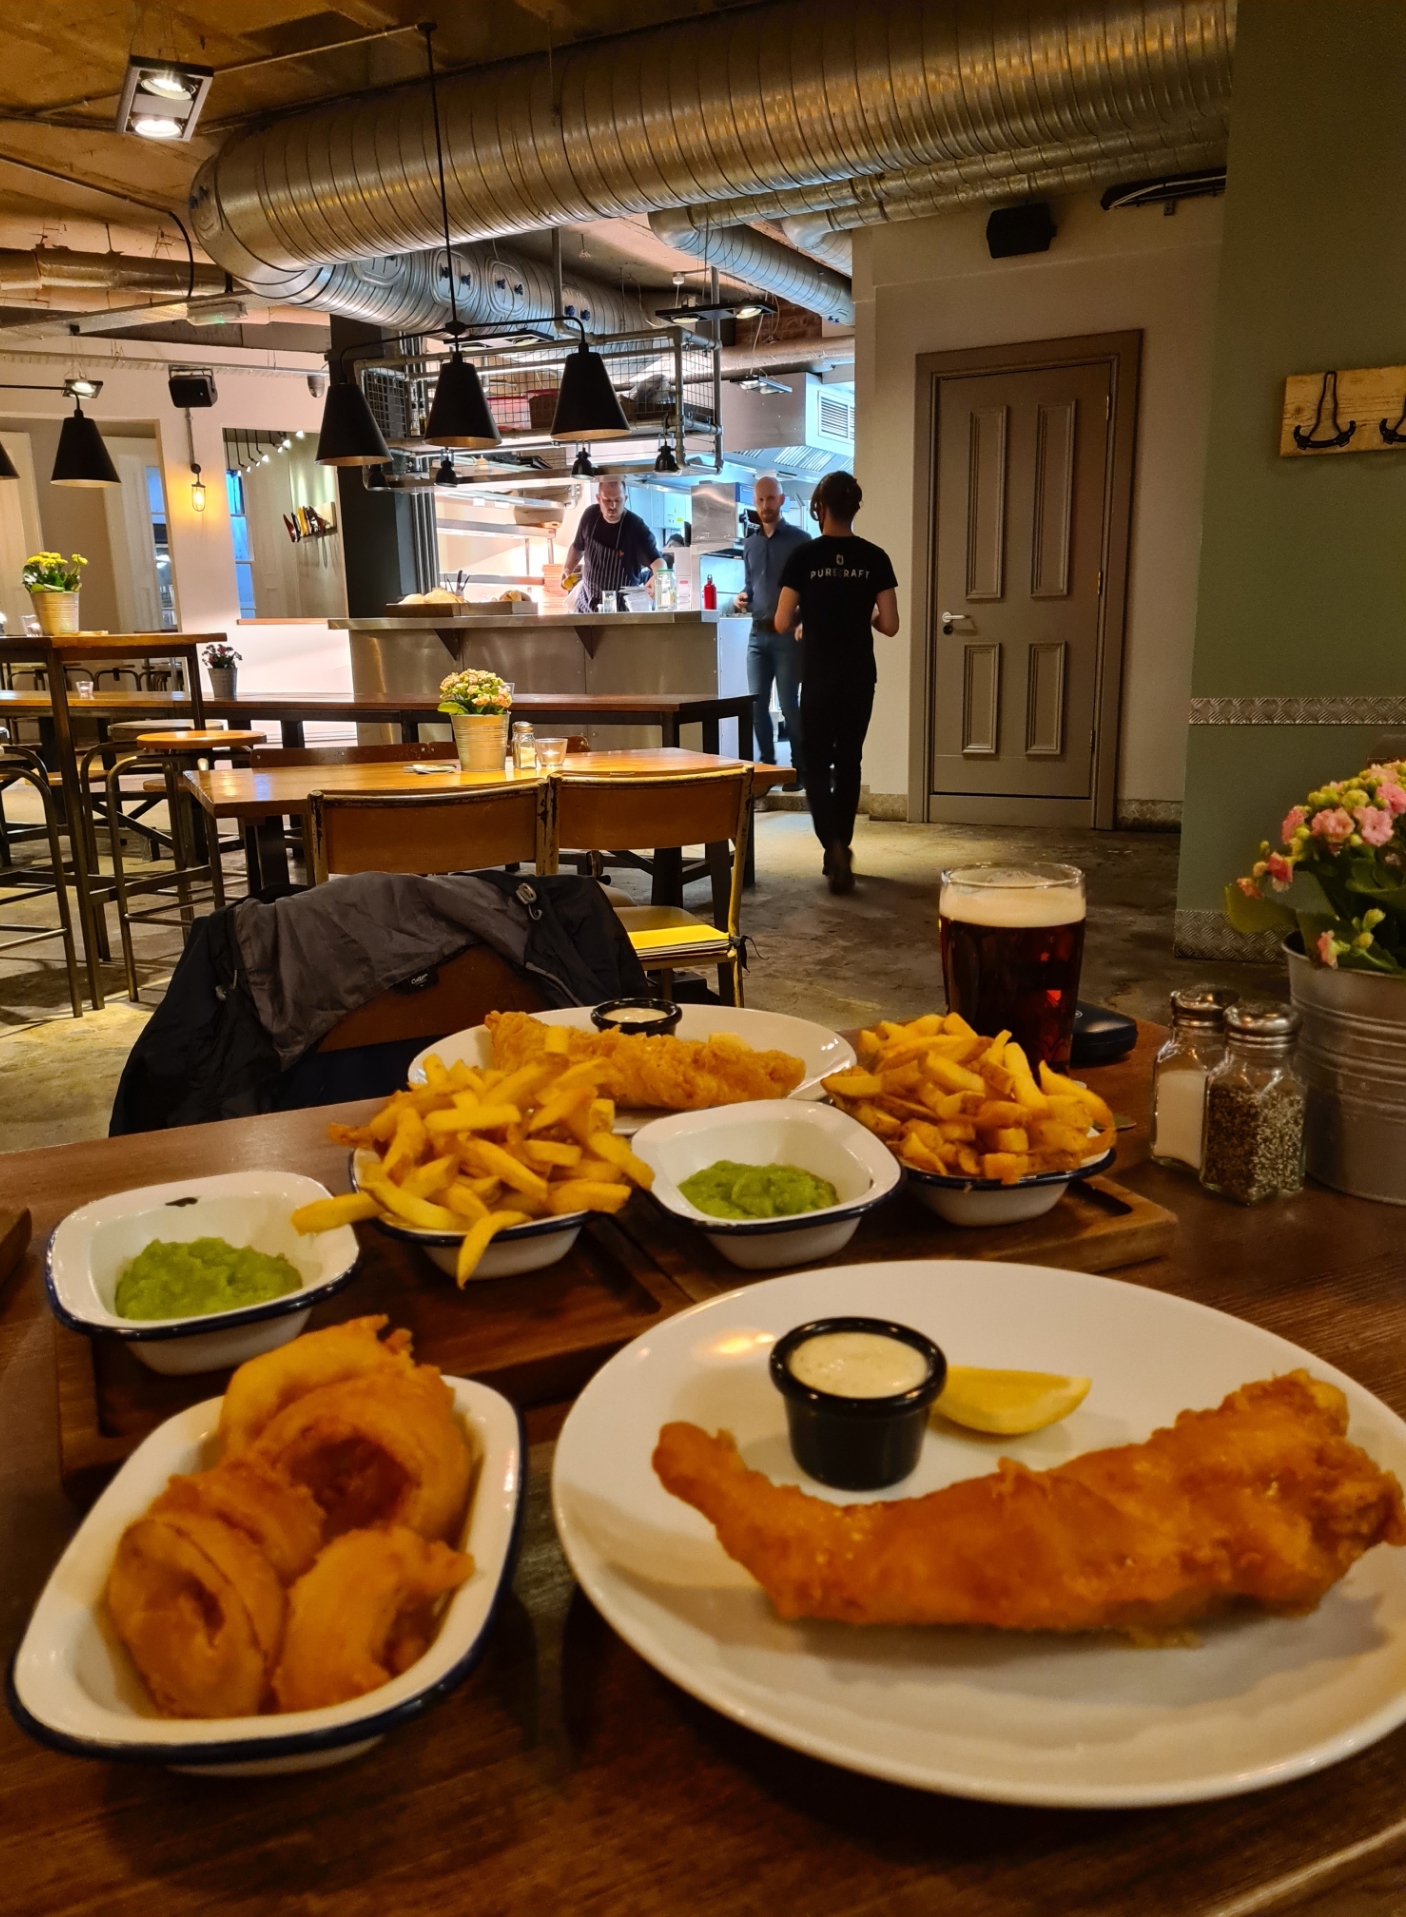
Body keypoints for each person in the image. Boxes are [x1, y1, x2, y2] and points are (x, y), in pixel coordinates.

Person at [774, 471, 899, 895]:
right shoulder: (875, 557)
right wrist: (862, 613)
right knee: (849, 761)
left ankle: (832, 844)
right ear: (855, 507)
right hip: (860, 675)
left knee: (814, 763)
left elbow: (781, 620)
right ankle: (841, 844)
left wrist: (809, 613)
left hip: (819, 677)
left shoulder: (804, 557)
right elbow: (890, 624)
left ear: (820, 507)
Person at [731, 473, 810, 787]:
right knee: (756, 705)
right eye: (760, 500)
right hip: (757, 634)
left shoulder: (800, 541)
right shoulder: (749, 544)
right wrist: (742, 597)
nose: (766, 505)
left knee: (790, 704)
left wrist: (804, 620)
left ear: (782, 500)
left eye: (771, 499)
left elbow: (811, 589)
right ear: (755, 502)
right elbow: (750, 585)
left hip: (788, 635)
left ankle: (799, 770)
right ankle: (766, 769)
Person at [561, 477, 664, 611]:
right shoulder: (590, 516)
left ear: (625, 499)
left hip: (621, 612)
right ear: (598, 499)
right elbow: (577, 547)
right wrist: (567, 569)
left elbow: (658, 562)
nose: (612, 506)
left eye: (617, 500)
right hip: (587, 608)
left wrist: (659, 575)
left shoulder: (635, 527)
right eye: (607, 500)